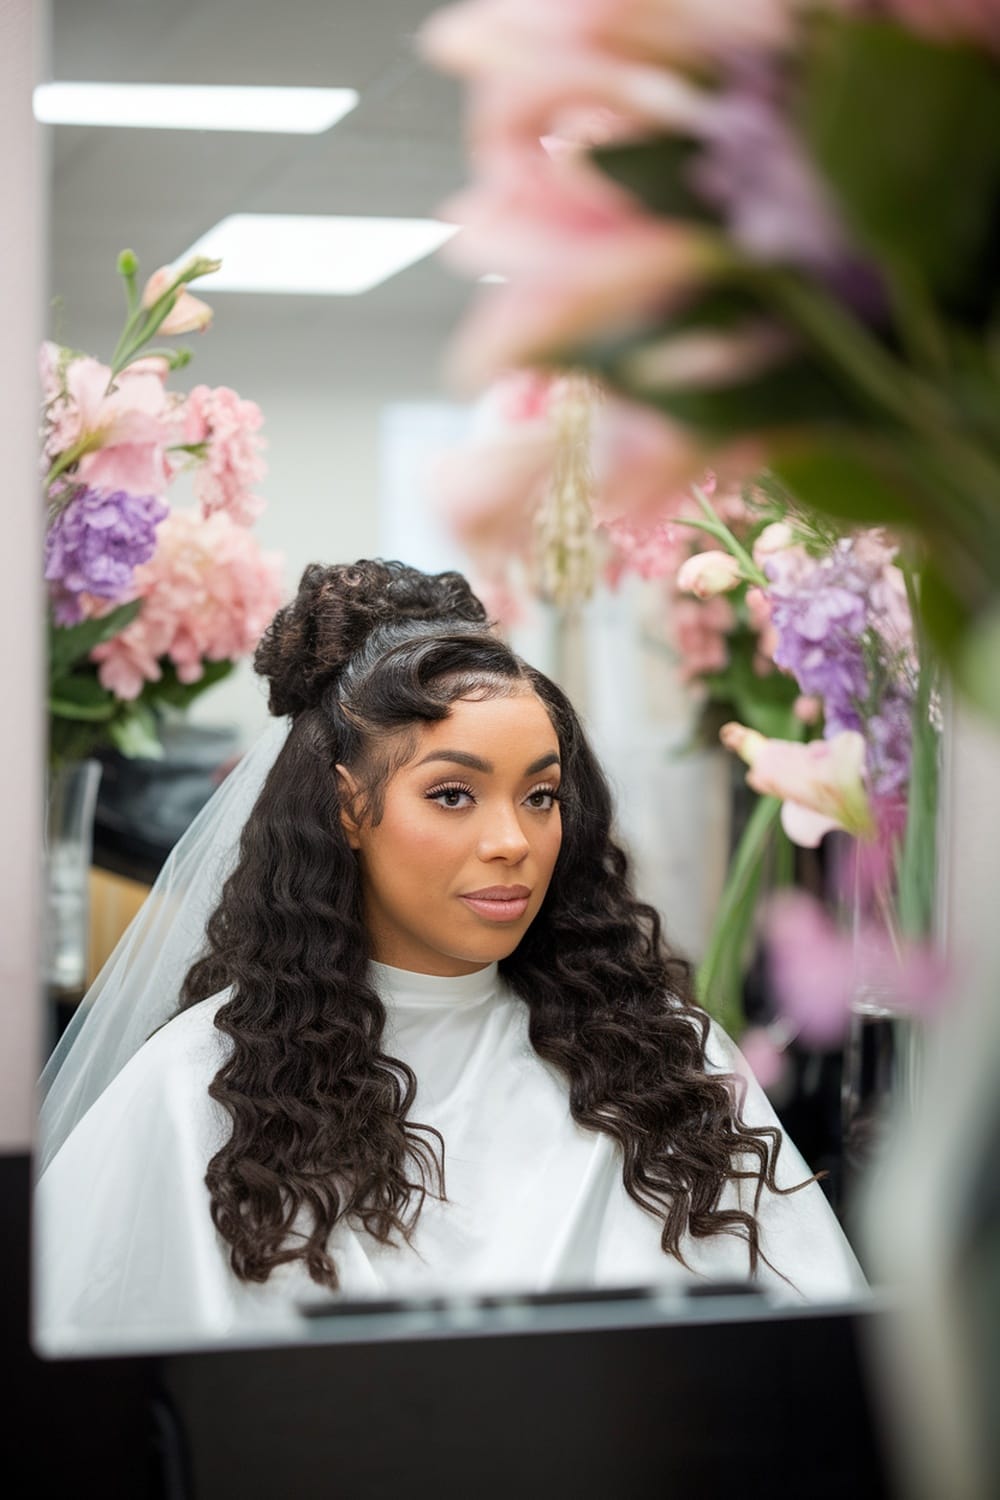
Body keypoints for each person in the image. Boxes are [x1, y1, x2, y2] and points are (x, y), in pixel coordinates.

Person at [35, 559, 863, 1350]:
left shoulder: (666, 1061)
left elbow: (822, 1354)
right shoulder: (196, 1090)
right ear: (348, 808)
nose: (513, 842)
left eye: (541, 796)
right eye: (453, 795)